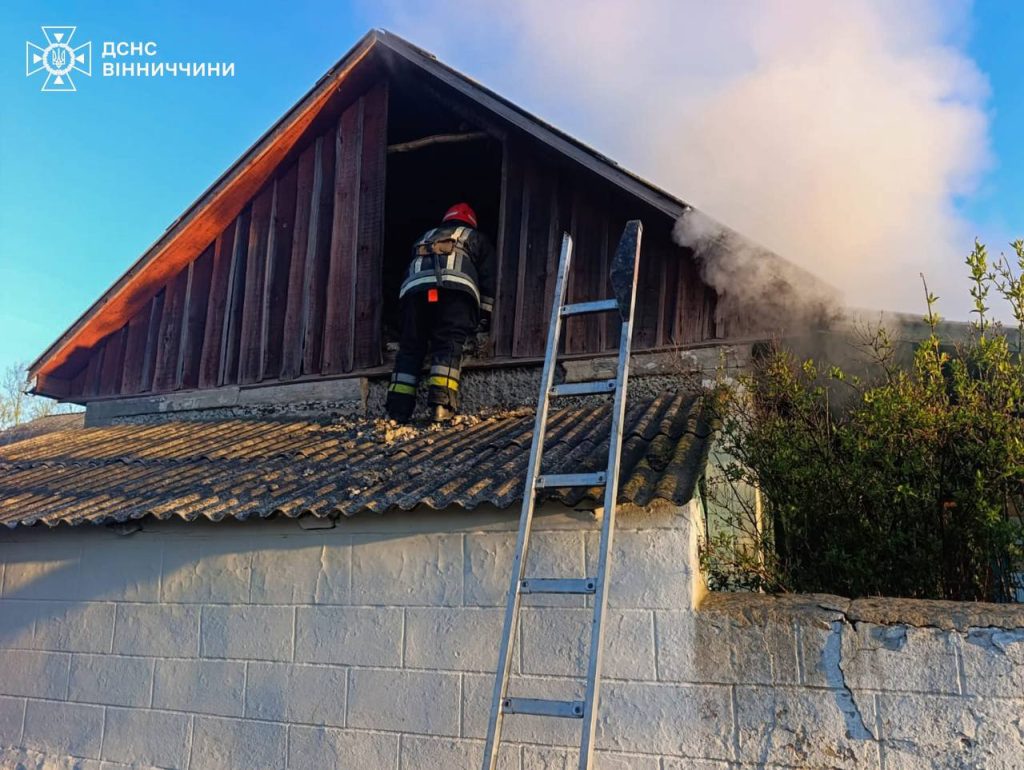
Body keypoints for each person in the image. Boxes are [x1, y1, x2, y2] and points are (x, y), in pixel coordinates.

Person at [386, 202, 495, 423]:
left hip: (415, 293)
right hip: (454, 291)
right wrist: (484, 315)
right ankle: (440, 405)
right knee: (448, 342)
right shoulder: (476, 237)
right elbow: (488, 279)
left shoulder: (424, 237)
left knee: (410, 346)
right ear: (470, 222)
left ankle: (397, 411)